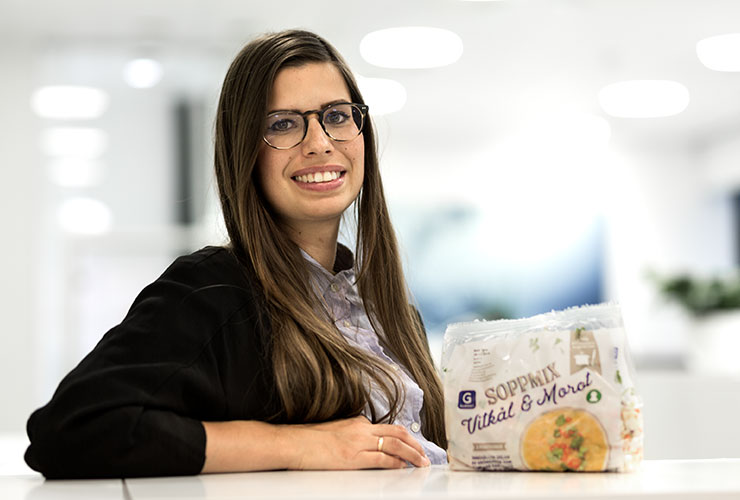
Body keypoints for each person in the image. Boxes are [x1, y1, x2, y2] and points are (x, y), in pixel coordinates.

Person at [24, 29, 448, 479]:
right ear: (245, 150)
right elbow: (73, 430)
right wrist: (300, 446)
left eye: (337, 116)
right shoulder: (213, 291)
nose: (320, 142)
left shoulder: (388, 310)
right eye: (282, 124)